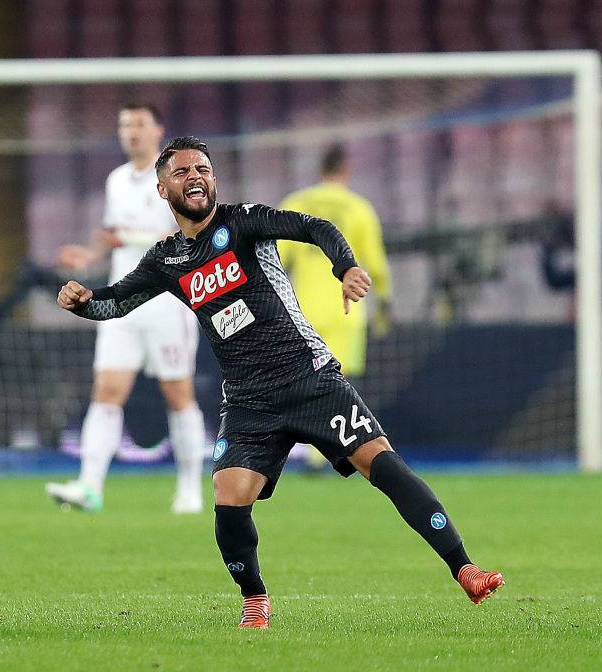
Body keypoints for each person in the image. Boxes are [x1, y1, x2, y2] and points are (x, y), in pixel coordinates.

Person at [56, 136, 503, 629]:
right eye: (182, 172)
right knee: (229, 505)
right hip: (249, 403)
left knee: (387, 468)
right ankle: (255, 599)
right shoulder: (166, 260)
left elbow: (315, 227)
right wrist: (82, 301)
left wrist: (346, 265)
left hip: (309, 379)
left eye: (202, 168)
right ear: (163, 189)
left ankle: (465, 568)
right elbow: (114, 303)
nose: (196, 177)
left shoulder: (242, 222)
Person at [46, 104, 205, 514]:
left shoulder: (176, 176)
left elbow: (187, 233)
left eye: (138, 124)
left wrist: (129, 239)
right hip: (121, 304)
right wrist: (88, 256)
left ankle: (190, 489)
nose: (130, 132)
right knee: (107, 392)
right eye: (124, 125)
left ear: (158, 130)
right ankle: (89, 487)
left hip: (168, 302)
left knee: (178, 394)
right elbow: (114, 237)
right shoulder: (116, 180)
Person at [278, 145, 392, 471]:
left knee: (308, 382)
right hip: (347, 309)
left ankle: (311, 454)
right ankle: (332, 453)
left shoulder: (296, 205)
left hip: (304, 310)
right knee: (342, 384)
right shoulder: (358, 208)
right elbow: (375, 263)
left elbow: (275, 258)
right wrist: (385, 297)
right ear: (346, 170)